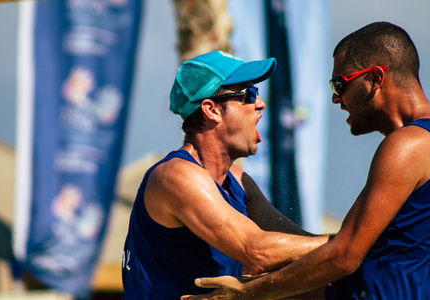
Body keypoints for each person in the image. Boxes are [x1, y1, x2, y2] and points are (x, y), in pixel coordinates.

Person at [180, 21, 430, 300]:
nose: (335, 98)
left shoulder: (406, 145)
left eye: (341, 83)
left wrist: (248, 293)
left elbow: (345, 255)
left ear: (376, 78)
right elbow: (361, 254)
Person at [121, 50, 329, 299]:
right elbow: (258, 251)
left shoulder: (239, 181)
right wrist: (353, 241)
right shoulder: (175, 176)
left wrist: (365, 250)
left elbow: (305, 246)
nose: (261, 103)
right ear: (212, 110)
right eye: (249, 95)